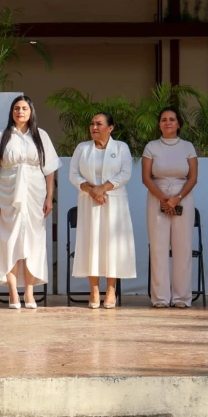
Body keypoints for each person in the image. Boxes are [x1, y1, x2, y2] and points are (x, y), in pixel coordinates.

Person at [0, 96, 59, 309]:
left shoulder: (41, 136)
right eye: (16, 108)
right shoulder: (1, 137)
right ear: (11, 112)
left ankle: (30, 293)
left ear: (31, 111)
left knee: (33, 241)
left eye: (24, 108)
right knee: (10, 241)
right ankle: (13, 293)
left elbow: (50, 170)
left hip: (35, 194)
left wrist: (49, 198)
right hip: (8, 193)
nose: (20, 112)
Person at [69, 112, 135, 309]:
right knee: (91, 243)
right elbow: (73, 174)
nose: (94, 127)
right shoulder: (82, 148)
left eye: (99, 124)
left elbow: (125, 173)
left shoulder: (121, 147)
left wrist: (102, 188)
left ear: (111, 127)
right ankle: (94, 290)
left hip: (113, 202)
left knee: (111, 245)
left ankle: (111, 289)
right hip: (89, 202)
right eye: (92, 124)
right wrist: (91, 191)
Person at [141, 107, 198, 308]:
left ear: (179, 123)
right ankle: (160, 298)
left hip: (183, 196)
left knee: (183, 248)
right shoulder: (151, 147)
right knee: (159, 248)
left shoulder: (188, 147)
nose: (168, 123)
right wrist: (165, 199)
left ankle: (181, 297)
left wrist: (177, 198)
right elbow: (146, 178)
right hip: (157, 195)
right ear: (159, 124)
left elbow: (193, 177)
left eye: (172, 119)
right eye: (164, 119)